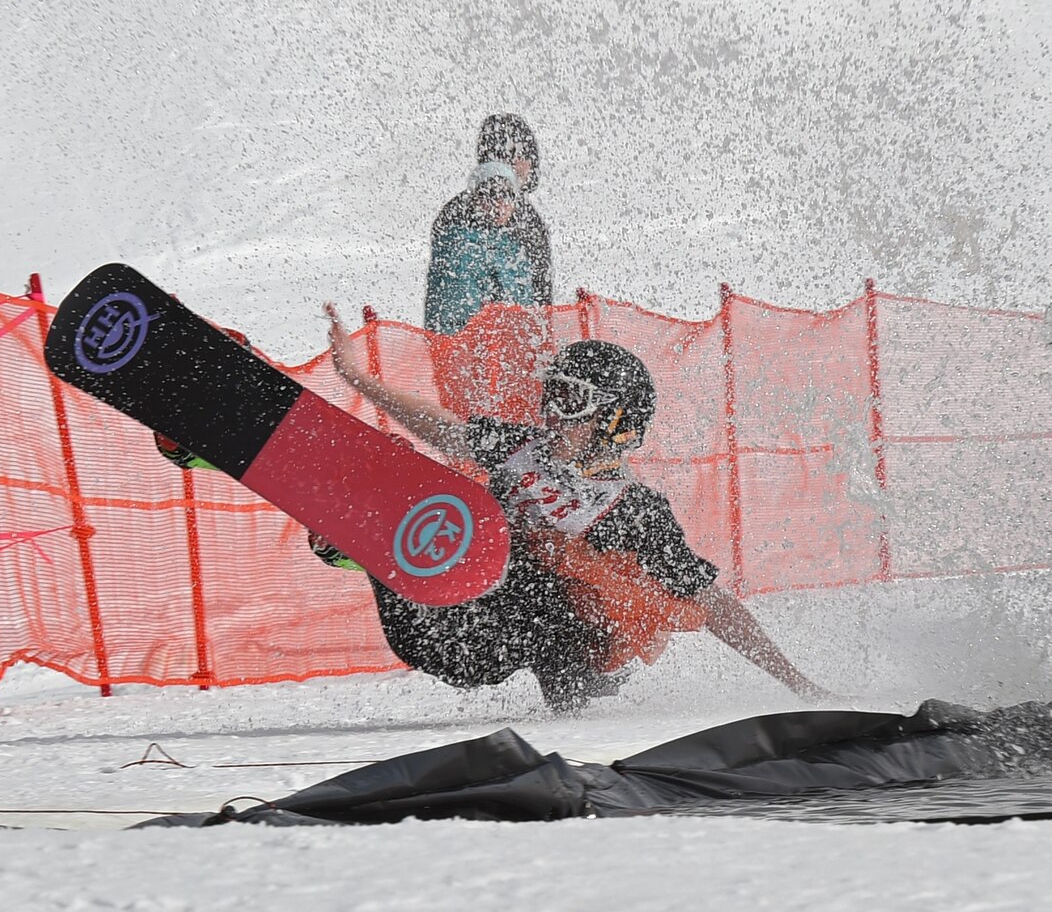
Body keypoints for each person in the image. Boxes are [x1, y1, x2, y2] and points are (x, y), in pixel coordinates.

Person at [323, 305, 829, 710]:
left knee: (559, 571)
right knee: (431, 488)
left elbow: (712, 602)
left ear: (614, 419)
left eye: (570, 402)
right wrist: (357, 379)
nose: (551, 414)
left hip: (544, 642)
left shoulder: (634, 510)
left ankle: (579, 714)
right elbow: (445, 427)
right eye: (551, 396)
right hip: (456, 629)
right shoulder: (522, 446)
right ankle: (367, 551)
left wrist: (797, 683)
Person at [423, 113, 552, 336]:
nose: (530, 163)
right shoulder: (517, 218)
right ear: (505, 157)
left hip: (470, 345)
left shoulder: (458, 209)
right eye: (523, 154)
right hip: (484, 344)